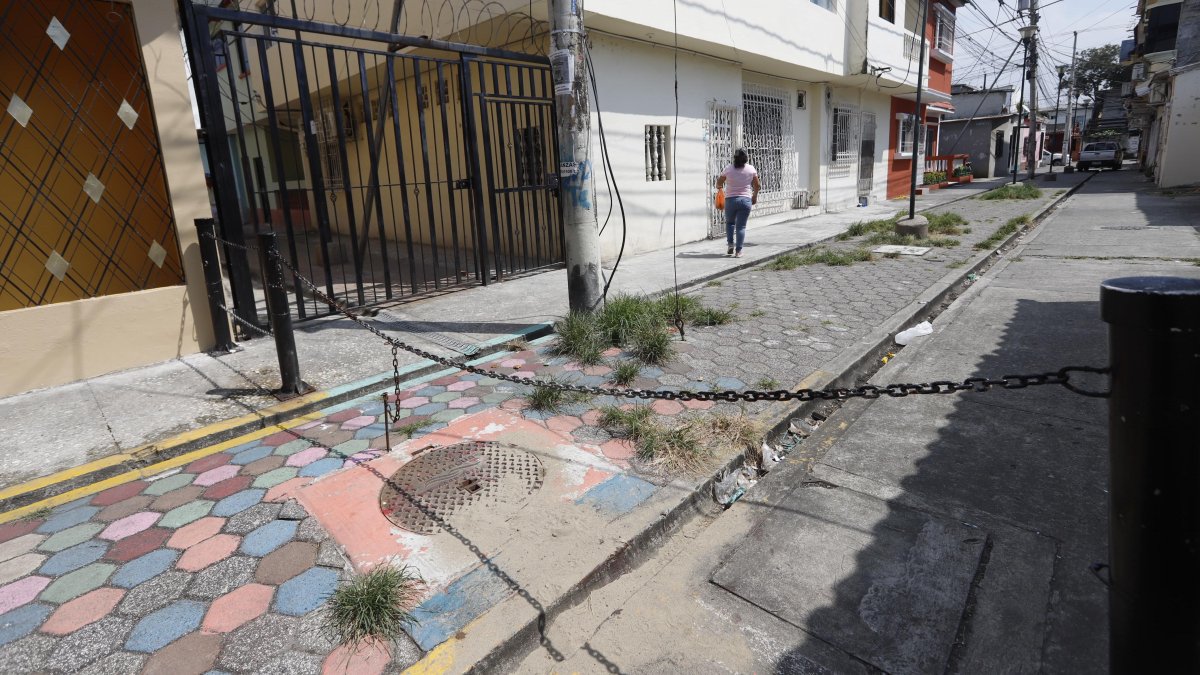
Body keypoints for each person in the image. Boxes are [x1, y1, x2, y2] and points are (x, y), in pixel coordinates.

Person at [716, 149, 759, 258]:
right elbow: (757, 185)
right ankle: (738, 251)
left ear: (734, 158)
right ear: (746, 158)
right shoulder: (751, 169)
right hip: (745, 200)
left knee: (730, 223)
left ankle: (730, 244)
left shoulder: (728, 169)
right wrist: (754, 196)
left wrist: (720, 188)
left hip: (730, 200)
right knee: (741, 227)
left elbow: (719, 183)